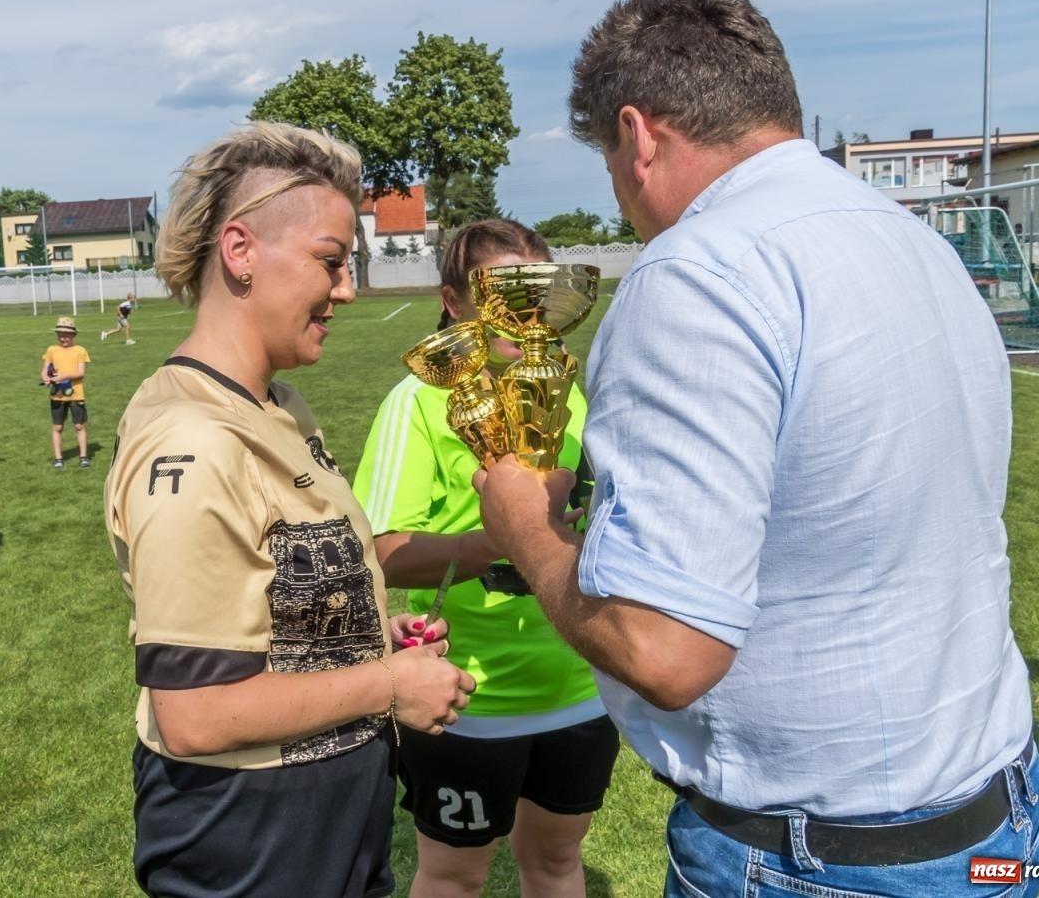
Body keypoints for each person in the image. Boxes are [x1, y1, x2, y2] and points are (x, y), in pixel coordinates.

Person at [476, 0, 1039, 896]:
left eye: (610, 166)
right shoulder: (915, 241)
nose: (623, 196)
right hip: (992, 814)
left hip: (818, 854)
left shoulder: (699, 272)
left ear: (638, 135)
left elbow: (664, 649)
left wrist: (522, 523)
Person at [104, 121, 476, 898]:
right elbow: (194, 714)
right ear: (240, 252)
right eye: (330, 262)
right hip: (251, 840)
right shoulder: (194, 437)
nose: (345, 289)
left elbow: (274, 597)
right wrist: (387, 685)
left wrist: (365, 637)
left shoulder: (278, 405)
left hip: (329, 822)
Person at [352, 218, 618, 898]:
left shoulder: (563, 392)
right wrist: (505, 540)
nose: (521, 311)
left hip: (580, 687)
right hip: (467, 695)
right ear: (453, 300)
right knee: (455, 876)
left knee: (556, 864)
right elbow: (378, 553)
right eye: (497, 291)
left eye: (536, 290)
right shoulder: (419, 401)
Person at [40, 317, 90, 468]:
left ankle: (83, 456)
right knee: (57, 427)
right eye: (60, 334)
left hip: (76, 394)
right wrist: (46, 377)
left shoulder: (80, 350)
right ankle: (58, 458)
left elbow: (81, 373)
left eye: (67, 335)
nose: (63, 338)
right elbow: (44, 369)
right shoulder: (51, 350)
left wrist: (64, 376)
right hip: (57, 395)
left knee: (79, 426)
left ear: (73, 335)